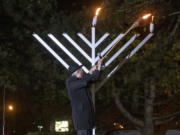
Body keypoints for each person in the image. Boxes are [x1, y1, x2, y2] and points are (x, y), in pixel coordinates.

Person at [66, 58, 104, 135]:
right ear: (78, 72)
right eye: (81, 70)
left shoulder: (82, 80)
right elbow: (84, 81)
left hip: (88, 118)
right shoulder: (70, 82)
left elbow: (94, 78)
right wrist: (90, 72)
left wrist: (99, 65)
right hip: (81, 119)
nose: (83, 71)